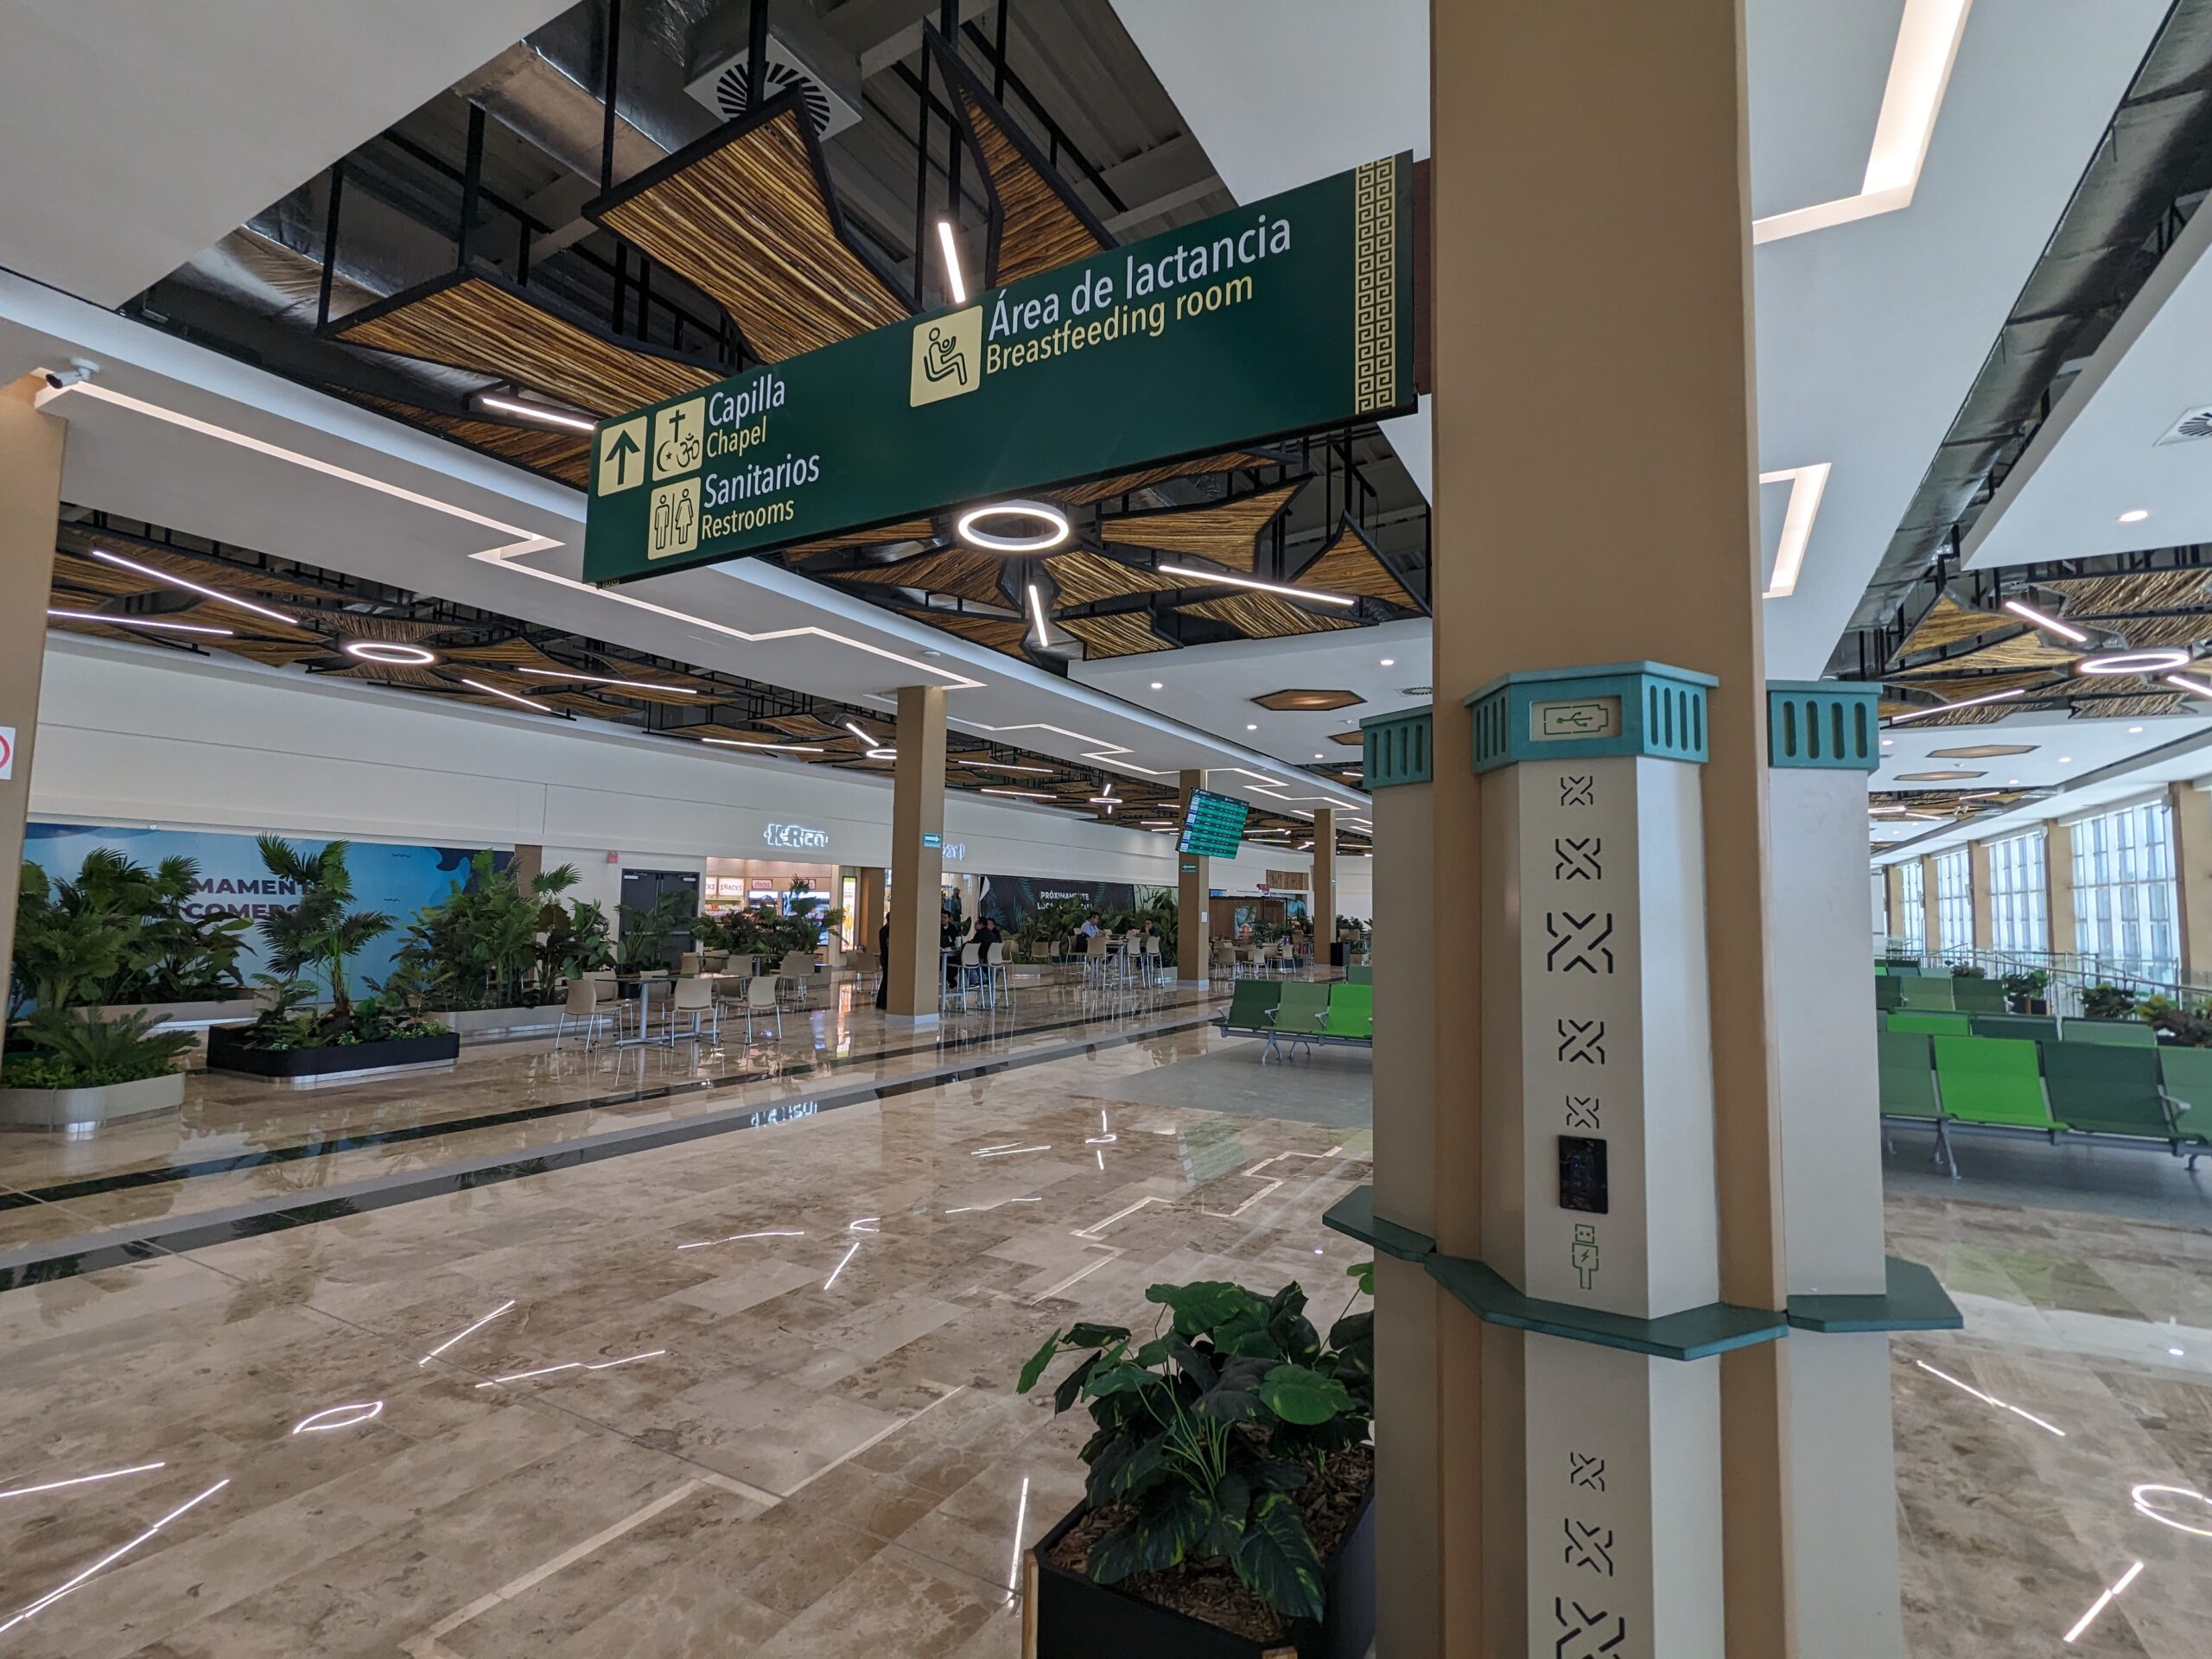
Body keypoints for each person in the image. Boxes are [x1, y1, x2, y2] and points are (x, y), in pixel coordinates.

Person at [875, 915, 891, 1010]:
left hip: (884, 957)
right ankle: (883, 1002)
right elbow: (888, 944)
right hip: (886, 957)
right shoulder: (887, 931)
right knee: (886, 979)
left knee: (886, 979)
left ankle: (881, 1002)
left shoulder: (883, 929)